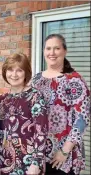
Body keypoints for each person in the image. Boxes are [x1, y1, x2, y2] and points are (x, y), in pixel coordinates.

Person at [32, 34, 90, 175]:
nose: (51, 53)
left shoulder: (74, 80)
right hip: (38, 153)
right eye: (48, 48)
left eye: (57, 48)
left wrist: (64, 151)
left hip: (63, 155)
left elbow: (82, 118)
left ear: (65, 51)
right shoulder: (36, 79)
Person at [0, 53, 48, 175]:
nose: (14, 74)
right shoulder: (1, 100)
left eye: (19, 70)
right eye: (10, 70)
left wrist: (36, 163)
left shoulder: (35, 97)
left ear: (26, 73)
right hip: (5, 162)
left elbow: (41, 132)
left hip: (29, 164)